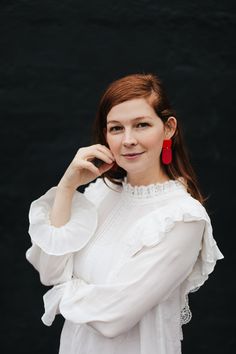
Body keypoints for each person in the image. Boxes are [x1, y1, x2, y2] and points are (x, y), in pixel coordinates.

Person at [26, 73, 223, 354]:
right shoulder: (100, 193)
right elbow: (50, 270)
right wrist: (67, 186)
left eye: (141, 125)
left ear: (168, 129)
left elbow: (113, 318)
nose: (128, 140)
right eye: (116, 128)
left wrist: (63, 290)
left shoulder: (181, 218)